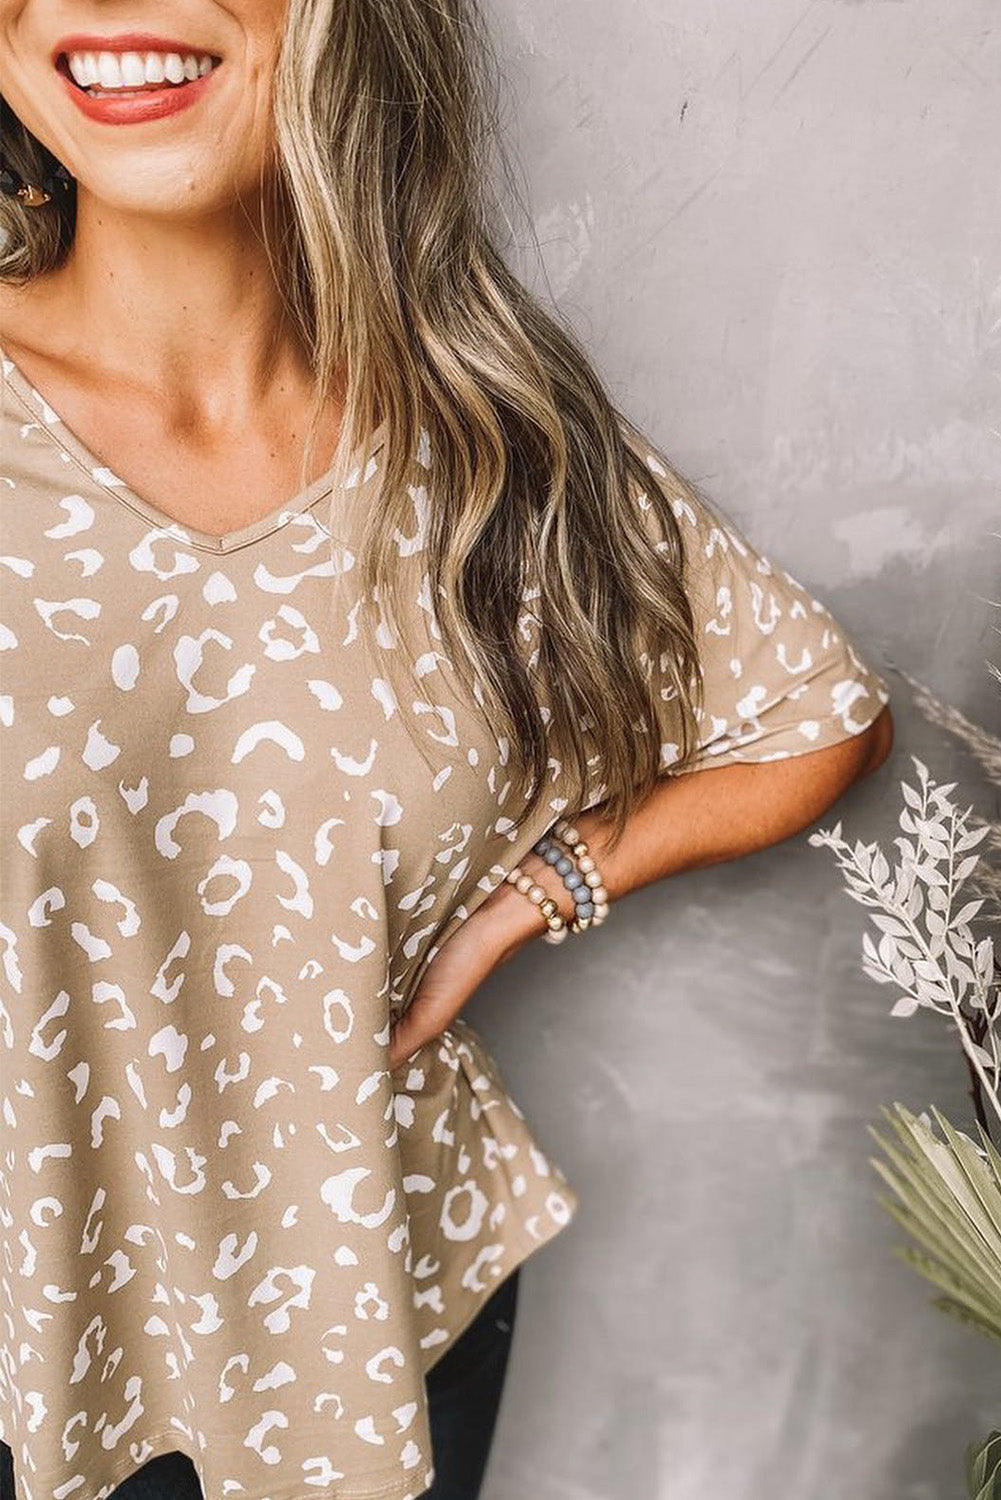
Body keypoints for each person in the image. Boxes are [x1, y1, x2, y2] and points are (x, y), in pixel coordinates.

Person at [0, 1, 894, 1497]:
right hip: (31, 1345)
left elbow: (822, 714)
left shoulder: (480, 442)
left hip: (379, 1314)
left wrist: (533, 895)